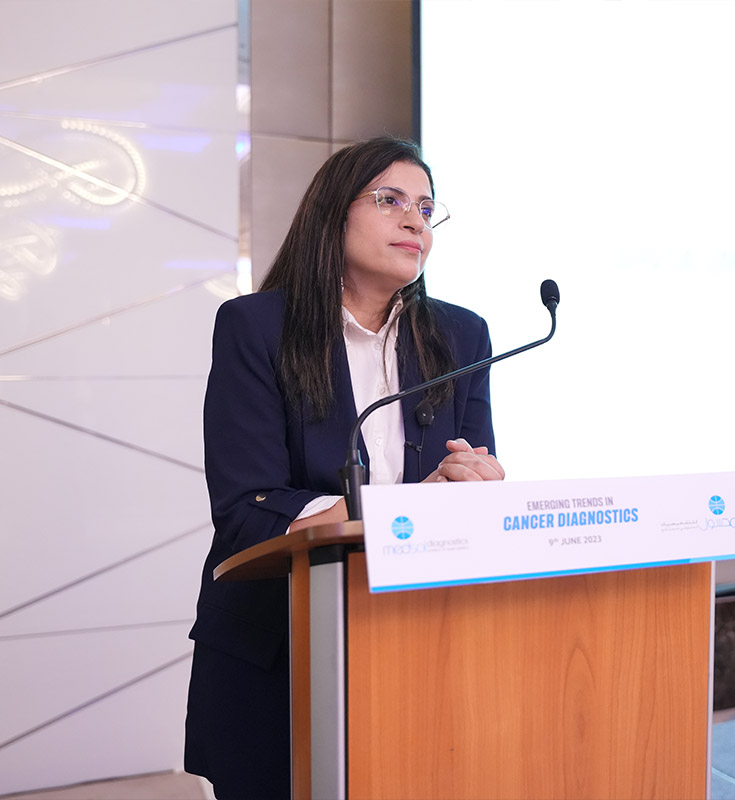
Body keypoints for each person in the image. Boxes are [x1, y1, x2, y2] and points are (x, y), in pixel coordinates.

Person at [184, 137, 504, 799]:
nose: (415, 221)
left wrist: (476, 483)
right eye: (391, 201)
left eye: (426, 208)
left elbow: (469, 479)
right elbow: (248, 510)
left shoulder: (461, 337)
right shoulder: (256, 326)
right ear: (334, 213)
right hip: (280, 647)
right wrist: (402, 508)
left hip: (419, 641)